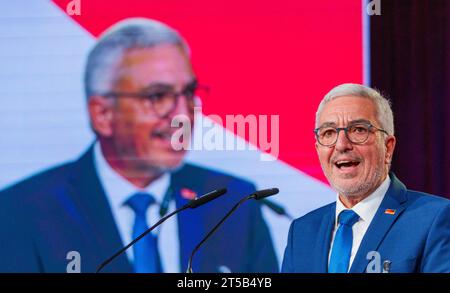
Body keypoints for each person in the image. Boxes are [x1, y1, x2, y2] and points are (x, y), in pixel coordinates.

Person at [0, 18, 278, 273]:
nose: (183, 114)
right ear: (103, 114)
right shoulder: (22, 211)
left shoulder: (233, 202)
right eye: (158, 96)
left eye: (189, 93)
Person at [282, 83, 450, 273]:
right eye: (328, 133)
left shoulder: (434, 219)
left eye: (358, 130)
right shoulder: (302, 231)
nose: (341, 145)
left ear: (388, 148)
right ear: (318, 149)